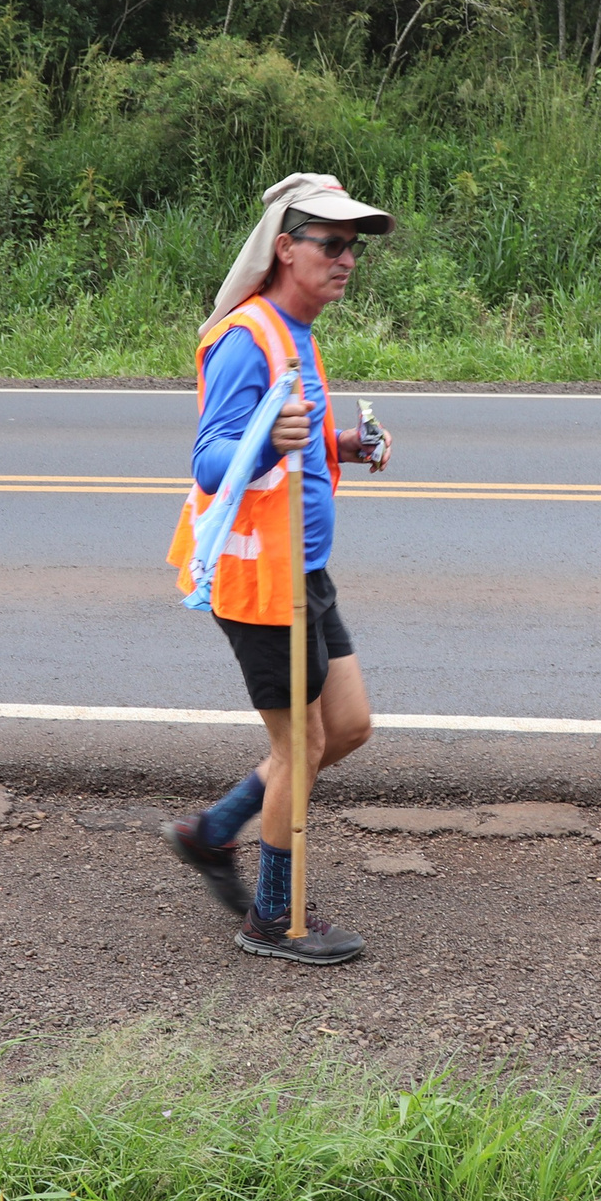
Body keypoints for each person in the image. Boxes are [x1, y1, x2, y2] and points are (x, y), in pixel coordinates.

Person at [163, 172, 395, 964]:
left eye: (352, 248)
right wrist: (273, 439)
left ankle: (213, 830)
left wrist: (344, 444)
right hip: (261, 582)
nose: (346, 259)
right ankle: (273, 916)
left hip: (306, 568)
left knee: (349, 727)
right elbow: (210, 458)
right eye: (330, 243)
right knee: (301, 745)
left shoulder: (300, 333)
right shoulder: (247, 336)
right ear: (284, 247)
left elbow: (293, 437)